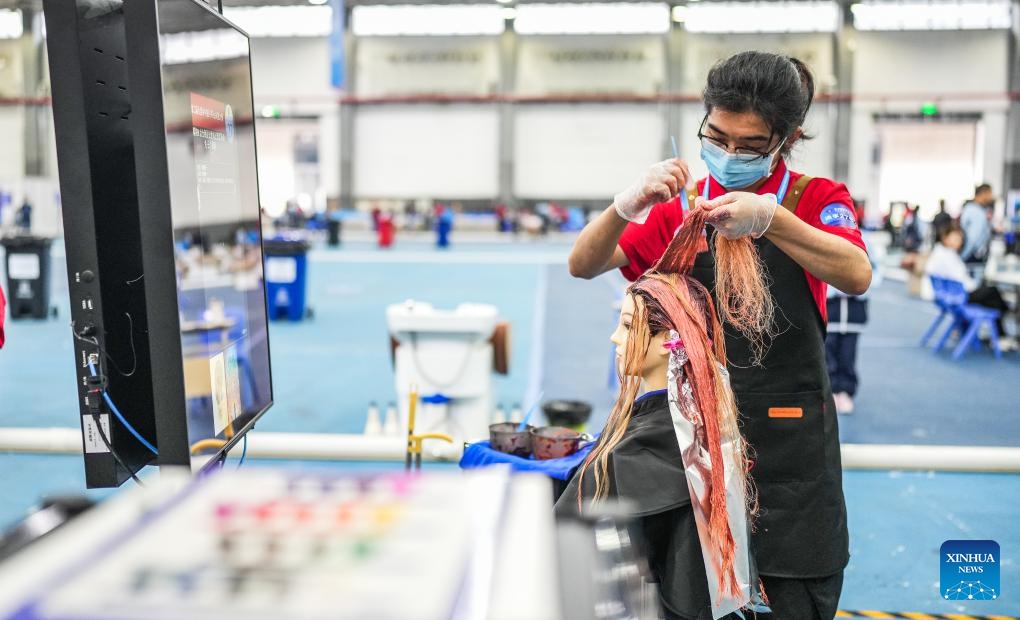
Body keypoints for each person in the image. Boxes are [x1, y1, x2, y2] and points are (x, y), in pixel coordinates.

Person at [568, 51, 872, 618]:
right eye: (716, 135)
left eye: (749, 144)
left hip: (788, 445)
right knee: (687, 589)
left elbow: (856, 272)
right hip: (693, 445)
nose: (729, 153)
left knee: (795, 584)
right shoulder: (683, 206)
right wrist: (622, 207)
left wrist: (772, 219)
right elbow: (583, 264)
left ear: (785, 138)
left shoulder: (815, 199)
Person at [556, 246, 759, 618]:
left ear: (669, 341)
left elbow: (564, 538)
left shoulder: (641, 448)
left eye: (628, 326)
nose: (615, 339)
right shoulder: (704, 424)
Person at [924, 222, 1016, 351]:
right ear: (945, 237)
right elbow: (960, 280)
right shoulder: (947, 256)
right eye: (956, 238)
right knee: (993, 293)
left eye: (960, 238)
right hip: (959, 296)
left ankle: (1001, 331)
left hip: (950, 296)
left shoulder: (940, 253)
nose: (960, 241)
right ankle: (1003, 327)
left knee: (991, 296)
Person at [960, 184, 994, 270]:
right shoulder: (977, 213)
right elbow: (973, 237)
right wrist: (963, 256)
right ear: (983, 193)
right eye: (990, 194)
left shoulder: (971, 208)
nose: (991, 197)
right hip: (972, 256)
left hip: (970, 254)